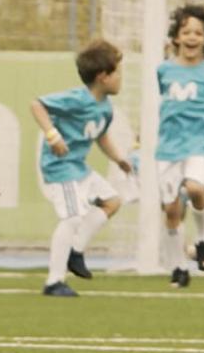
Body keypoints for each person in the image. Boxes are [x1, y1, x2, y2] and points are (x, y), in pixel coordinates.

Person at [30, 40, 130, 297]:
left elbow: (101, 136)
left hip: (78, 167)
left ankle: (75, 251)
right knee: (72, 218)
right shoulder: (77, 99)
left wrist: (118, 158)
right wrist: (53, 135)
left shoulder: (105, 108)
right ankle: (54, 281)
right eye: (117, 72)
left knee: (113, 201)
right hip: (60, 168)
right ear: (103, 77)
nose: (120, 78)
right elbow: (37, 105)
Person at [156, 5, 204, 287]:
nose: (191, 37)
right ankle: (178, 268)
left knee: (196, 188)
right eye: (186, 31)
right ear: (176, 37)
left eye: (198, 33)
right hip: (167, 149)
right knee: (172, 210)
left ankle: (203, 239)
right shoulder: (164, 70)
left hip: (199, 145)